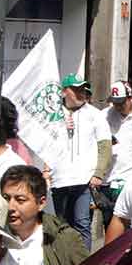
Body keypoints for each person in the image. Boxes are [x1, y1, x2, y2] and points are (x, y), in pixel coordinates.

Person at [51, 74, 111, 249]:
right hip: (58, 179)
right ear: (64, 92)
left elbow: (105, 146)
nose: (80, 93)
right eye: (75, 89)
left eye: (82, 89)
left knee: (82, 223)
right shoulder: (53, 114)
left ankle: (83, 264)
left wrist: (99, 173)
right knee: (61, 225)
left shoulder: (95, 115)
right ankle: (64, 263)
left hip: (83, 180)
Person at [0, 166, 88, 265]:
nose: (10, 207)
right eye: (6, 198)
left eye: (20, 200)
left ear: (41, 203)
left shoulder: (64, 239)